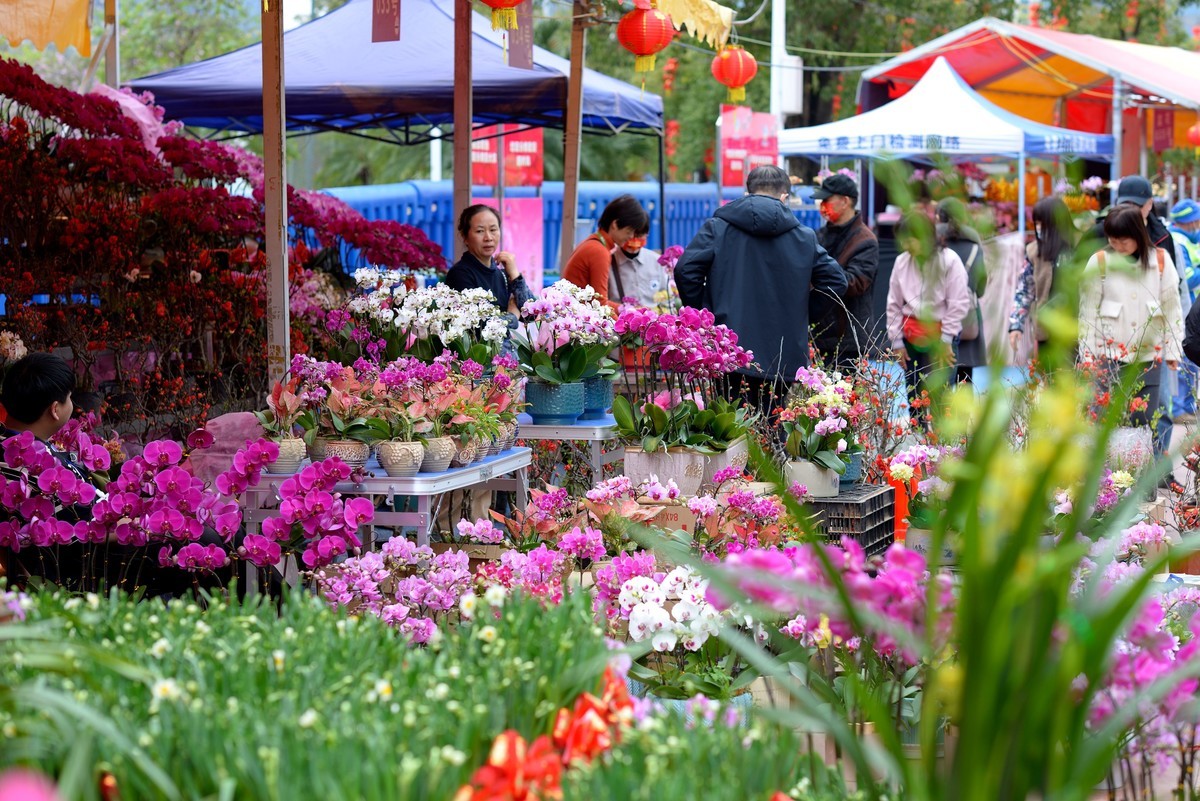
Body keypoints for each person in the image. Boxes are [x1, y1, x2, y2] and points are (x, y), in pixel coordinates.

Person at [0, 353, 239, 595]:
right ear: (55, 410)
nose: (72, 404)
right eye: (70, 398)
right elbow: (79, 530)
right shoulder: (36, 464)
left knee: (222, 532)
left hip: (89, 541)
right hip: (90, 564)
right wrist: (135, 525)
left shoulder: (12, 447)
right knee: (209, 537)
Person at [674, 165, 848, 414]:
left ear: (747, 194)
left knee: (729, 426)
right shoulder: (804, 237)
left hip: (728, 348)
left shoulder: (719, 227)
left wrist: (707, 314)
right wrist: (804, 314)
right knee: (773, 423)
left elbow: (685, 270)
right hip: (783, 352)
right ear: (785, 197)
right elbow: (836, 282)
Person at [1079, 206, 1183, 456]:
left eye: (1122, 239)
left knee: (1146, 422)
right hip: (1108, 356)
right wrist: (1088, 356)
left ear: (1137, 234)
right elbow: (1087, 313)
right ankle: (1104, 481)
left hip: (1148, 357)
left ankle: (1143, 482)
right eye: (1111, 239)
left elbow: (1172, 308)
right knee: (1103, 422)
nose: (1117, 244)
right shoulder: (1100, 261)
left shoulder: (1160, 261)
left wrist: (1173, 350)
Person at [885, 214, 971, 403]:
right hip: (911, 335)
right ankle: (918, 431)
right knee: (913, 391)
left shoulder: (949, 261)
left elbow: (958, 302)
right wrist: (896, 341)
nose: (905, 246)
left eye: (909, 241)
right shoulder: (902, 261)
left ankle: (941, 433)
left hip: (942, 334)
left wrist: (947, 339)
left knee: (941, 393)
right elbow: (894, 303)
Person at [810, 174, 880, 367]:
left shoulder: (865, 240)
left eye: (826, 200)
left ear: (845, 201)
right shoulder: (818, 236)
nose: (821, 206)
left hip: (850, 341)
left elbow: (855, 282)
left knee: (846, 396)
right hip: (818, 336)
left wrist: (818, 273)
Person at [1008, 196, 1078, 356]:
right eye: (1037, 223)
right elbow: (1024, 290)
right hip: (1046, 329)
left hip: (1075, 330)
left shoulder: (1078, 247)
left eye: (1044, 224)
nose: (1039, 228)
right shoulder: (1034, 251)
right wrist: (1015, 326)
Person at [445, 204, 534, 315]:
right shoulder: (460, 274)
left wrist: (515, 275)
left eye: (493, 230)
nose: (488, 238)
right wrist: (513, 317)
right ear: (465, 237)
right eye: (480, 231)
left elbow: (532, 314)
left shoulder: (502, 274)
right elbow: (479, 327)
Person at [562, 195, 649, 306]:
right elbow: (600, 304)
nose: (631, 236)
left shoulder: (593, 243)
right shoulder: (599, 251)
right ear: (615, 224)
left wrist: (632, 311)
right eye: (629, 231)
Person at [936, 198, 987, 384]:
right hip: (967, 318)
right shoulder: (974, 245)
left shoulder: (933, 246)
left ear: (938, 217)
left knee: (936, 381)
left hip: (936, 319)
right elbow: (981, 287)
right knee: (965, 378)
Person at [1169, 199, 1200, 423]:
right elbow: (1187, 279)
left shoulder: (1187, 239)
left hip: (1189, 305)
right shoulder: (1178, 241)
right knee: (1185, 359)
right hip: (1183, 306)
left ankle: (1187, 406)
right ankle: (1180, 409)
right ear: (1189, 222)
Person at [608, 230, 668, 308]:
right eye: (629, 234)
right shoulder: (608, 262)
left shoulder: (656, 260)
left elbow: (666, 296)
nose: (634, 239)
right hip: (621, 317)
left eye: (639, 235)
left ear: (646, 235)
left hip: (654, 316)